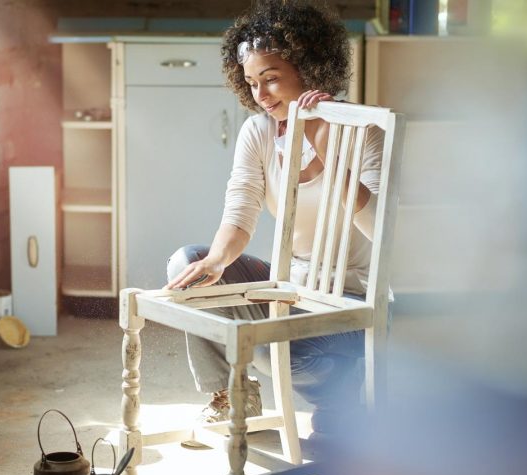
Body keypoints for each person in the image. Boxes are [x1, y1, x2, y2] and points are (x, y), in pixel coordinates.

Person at [165, 0, 386, 440]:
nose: (260, 96)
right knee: (187, 264)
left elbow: (378, 230)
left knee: (274, 344)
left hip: (350, 302)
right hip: (291, 285)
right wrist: (217, 262)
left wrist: (323, 141)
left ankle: (339, 400)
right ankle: (232, 395)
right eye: (251, 82)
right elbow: (240, 210)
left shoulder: (365, 132)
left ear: (309, 68)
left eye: (270, 79)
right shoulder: (258, 132)